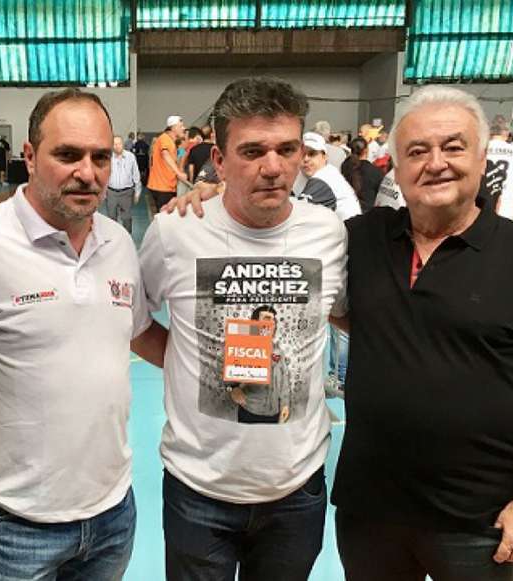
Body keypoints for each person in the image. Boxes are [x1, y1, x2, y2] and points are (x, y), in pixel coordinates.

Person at [332, 85, 513, 581]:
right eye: (417, 151)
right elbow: (282, 233)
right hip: (371, 511)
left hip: (482, 520)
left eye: (453, 147)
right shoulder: (363, 240)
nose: (436, 163)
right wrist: (210, 193)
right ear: (396, 166)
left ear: (480, 157)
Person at [0, 88, 165, 581]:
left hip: (111, 515)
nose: (87, 173)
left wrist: (219, 362)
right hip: (11, 525)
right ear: (29, 155)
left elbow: (139, 334)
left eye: (100, 157)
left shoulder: (117, 243)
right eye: (67, 155)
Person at [139, 77, 348, 580]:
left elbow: (340, 314)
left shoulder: (329, 233)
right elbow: (134, 324)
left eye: (286, 149)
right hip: (199, 491)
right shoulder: (175, 232)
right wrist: (199, 367)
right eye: (252, 151)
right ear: (219, 157)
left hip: (296, 493)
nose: (272, 167)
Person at [297, 131, 362, 221]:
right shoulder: (324, 172)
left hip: (349, 233)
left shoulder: (324, 177)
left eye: (312, 154)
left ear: (325, 156)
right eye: (302, 155)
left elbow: (297, 217)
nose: (306, 159)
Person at [147, 114, 188, 211]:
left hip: (166, 187)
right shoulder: (165, 138)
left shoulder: (171, 142)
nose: (184, 128)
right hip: (162, 187)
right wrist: (179, 173)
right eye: (181, 126)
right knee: (164, 216)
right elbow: (165, 154)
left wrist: (183, 150)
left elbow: (175, 160)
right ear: (173, 128)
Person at [105, 134, 142, 233]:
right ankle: (113, 239)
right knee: (111, 218)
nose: (117, 146)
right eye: (115, 144)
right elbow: (103, 175)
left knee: (126, 218)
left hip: (126, 192)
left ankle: (127, 238)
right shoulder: (108, 158)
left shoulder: (130, 157)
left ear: (123, 144)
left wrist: (137, 193)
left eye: (119, 144)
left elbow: (136, 175)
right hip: (111, 192)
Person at [341, 136, 383, 212]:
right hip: (367, 213)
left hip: (347, 211)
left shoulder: (345, 166)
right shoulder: (375, 171)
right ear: (366, 151)